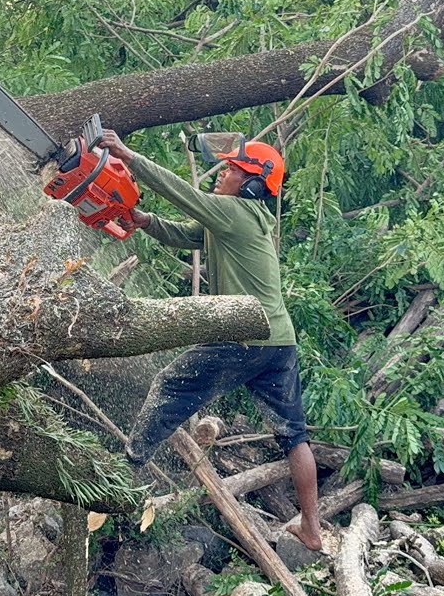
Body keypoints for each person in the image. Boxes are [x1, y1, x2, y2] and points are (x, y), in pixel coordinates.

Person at [97, 129, 322, 551]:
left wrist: (129, 156)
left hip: (243, 335)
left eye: (233, 170)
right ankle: (312, 527)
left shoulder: (234, 213)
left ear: (252, 184)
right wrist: (145, 222)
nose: (222, 174)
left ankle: (125, 469)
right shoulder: (245, 222)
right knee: (294, 435)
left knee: (169, 383)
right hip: (278, 342)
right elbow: (190, 233)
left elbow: (185, 195)